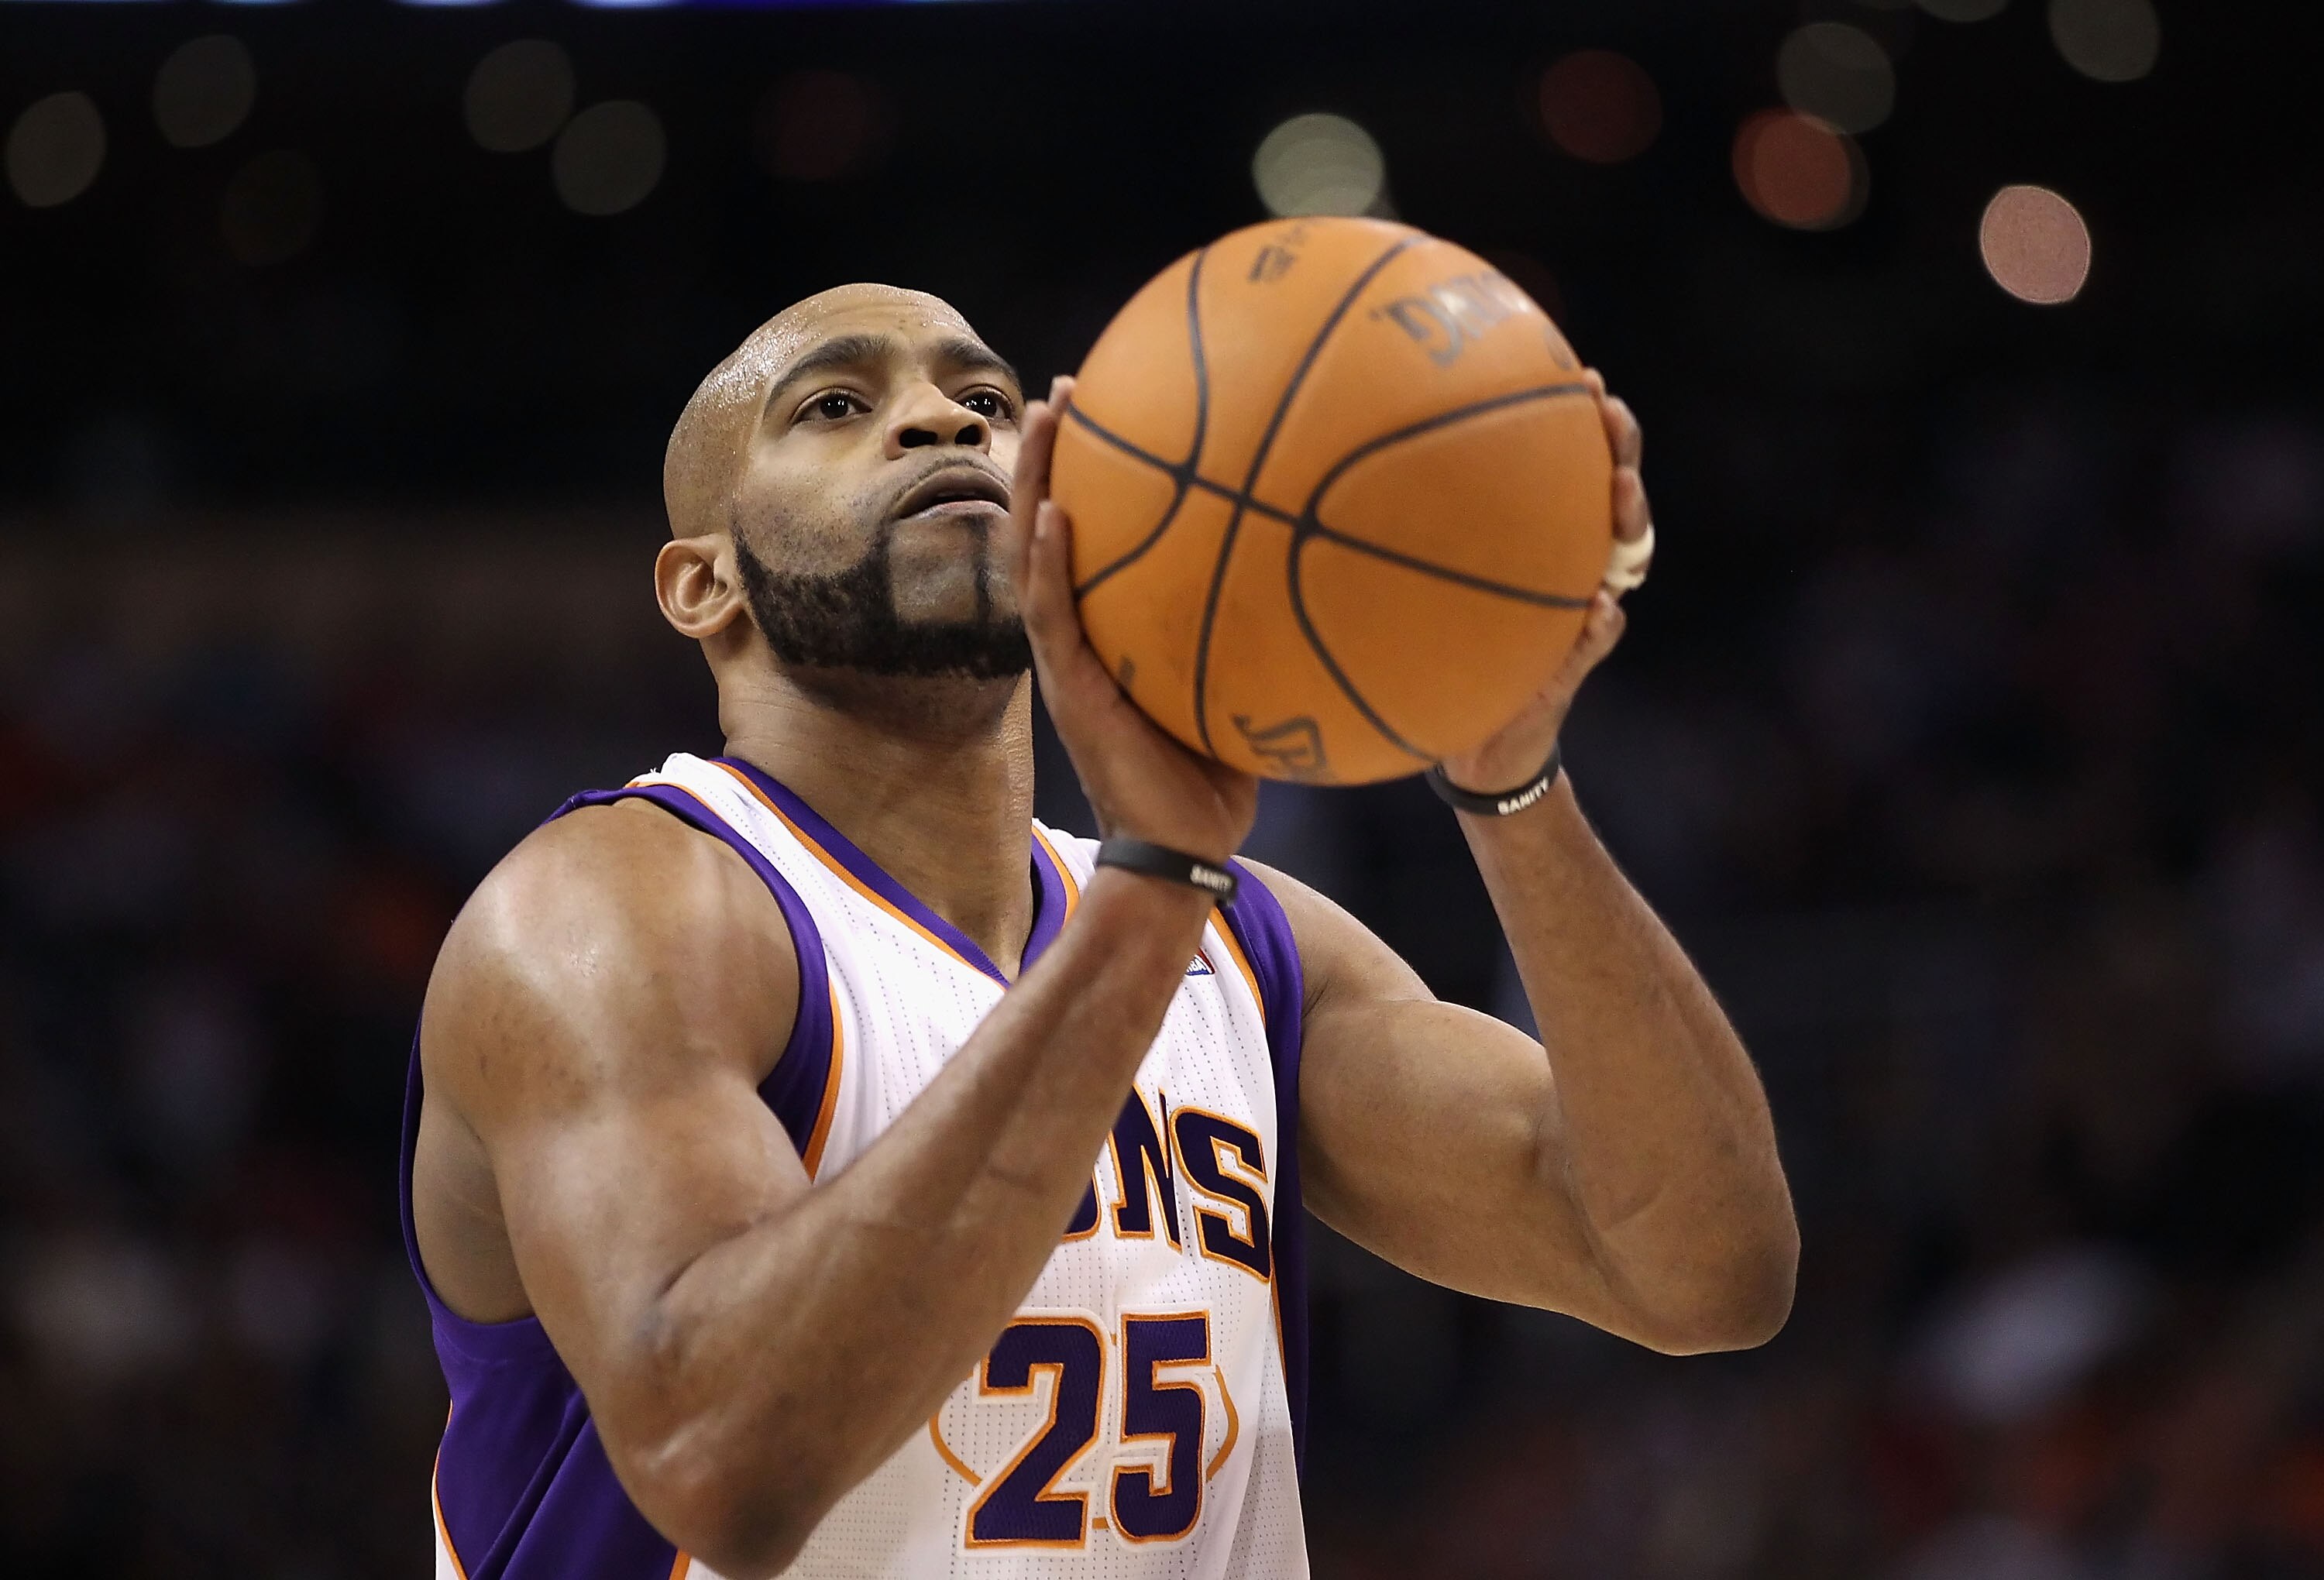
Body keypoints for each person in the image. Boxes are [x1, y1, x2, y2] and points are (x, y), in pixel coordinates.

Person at [401, 277, 1797, 1580]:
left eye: (989, 404)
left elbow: (1700, 1269)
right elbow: (724, 1460)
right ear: (703, 586)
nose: (943, 420)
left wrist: (1513, 774)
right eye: (836, 406)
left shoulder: (1244, 949)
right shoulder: (608, 913)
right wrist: (1150, 894)